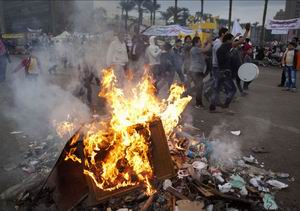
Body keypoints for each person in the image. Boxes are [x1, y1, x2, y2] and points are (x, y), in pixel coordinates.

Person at [209, 24, 250, 112]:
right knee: (233, 90)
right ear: (228, 40)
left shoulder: (220, 46)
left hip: (220, 71)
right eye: (231, 40)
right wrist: (247, 31)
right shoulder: (225, 46)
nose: (233, 41)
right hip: (225, 72)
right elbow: (241, 41)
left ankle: (212, 107)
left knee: (217, 90)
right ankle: (226, 105)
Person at [187, 36, 212, 108]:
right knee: (199, 87)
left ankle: (198, 102)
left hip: (197, 71)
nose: (200, 42)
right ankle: (198, 104)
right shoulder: (194, 49)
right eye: (199, 41)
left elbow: (203, 50)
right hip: (195, 71)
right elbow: (206, 49)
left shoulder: (196, 49)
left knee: (199, 87)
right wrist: (209, 42)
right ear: (195, 43)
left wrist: (205, 43)